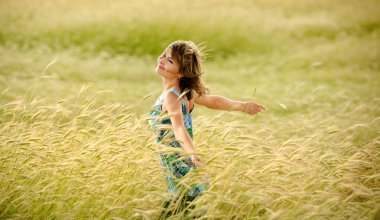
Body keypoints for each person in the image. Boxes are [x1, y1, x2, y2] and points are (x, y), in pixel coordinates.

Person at [149, 40, 265, 219]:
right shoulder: (184, 92)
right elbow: (212, 101)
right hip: (185, 178)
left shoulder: (173, 97)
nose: (162, 60)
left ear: (181, 72)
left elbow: (179, 129)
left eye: (170, 61)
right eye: (164, 55)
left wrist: (193, 154)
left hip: (183, 177)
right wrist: (242, 106)